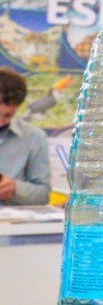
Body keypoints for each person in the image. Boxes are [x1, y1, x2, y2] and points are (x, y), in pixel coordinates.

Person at [0, 67, 51, 205]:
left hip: (11, 223)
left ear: (17, 108)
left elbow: (43, 194)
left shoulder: (34, 137)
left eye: (7, 115)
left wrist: (16, 189)